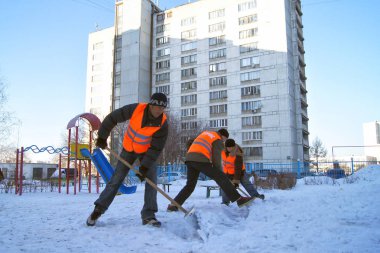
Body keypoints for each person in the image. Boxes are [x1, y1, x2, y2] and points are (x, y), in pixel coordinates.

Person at [86, 92, 168, 227]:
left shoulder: (163, 123)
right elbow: (113, 118)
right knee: (116, 179)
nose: (158, 110)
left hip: (146, 152)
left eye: (162, 108)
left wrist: (145, 167)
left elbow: (156, 148)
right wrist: (102, 137)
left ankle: (149, 215)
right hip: (128, 149)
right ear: (150, 105)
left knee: (151, 180)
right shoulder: (137, 109)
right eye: (156, 107)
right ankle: (98, 210)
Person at [167, 129, 254, 212]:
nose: (223, 142)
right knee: (220, 176)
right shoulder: (217, 138)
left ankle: (173, 205)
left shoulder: (206, 133)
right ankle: (239, 199)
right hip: (200, 159)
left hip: (189, 159)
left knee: (190, 186)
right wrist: (220, 173)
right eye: (224, 140)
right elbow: (216, 156)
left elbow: (195, 144)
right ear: (223, 136)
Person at [221, 139, 265, 205]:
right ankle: (225, 202)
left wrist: (236, 182)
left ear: (233, 146)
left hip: (240, 172)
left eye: (231, 147)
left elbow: (238, 169)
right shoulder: (223, 150)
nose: (229, 149)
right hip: (227, 173)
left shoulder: (238, 154)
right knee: (224, 186)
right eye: (228, 147)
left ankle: (256, 196)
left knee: (246, 183)